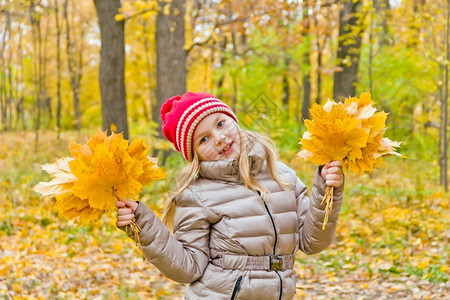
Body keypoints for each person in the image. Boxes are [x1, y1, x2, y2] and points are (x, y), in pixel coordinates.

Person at [116, 92, 344, 299]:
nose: (218, 138)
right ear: (193, 154)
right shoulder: (197, 195)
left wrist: (327, 188)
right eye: (203, 139)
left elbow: (312, 242)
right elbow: (188, 268)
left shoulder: (281, 174)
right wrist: (143, 226)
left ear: (233, 120)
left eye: (220, 124)